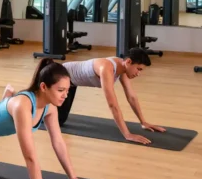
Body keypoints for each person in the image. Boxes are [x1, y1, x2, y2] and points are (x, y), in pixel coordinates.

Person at [33, 48, 165, 145]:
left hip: (71, 84)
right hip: (59, 79)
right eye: (139, 69)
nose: (138, 73)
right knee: (44, 118)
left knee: (60, 120)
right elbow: (112, 104)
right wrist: (127, 134)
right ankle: (24, 106)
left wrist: (143, 122)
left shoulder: (123, 68)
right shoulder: (106, 68)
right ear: (129, 62)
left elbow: (131, 97)